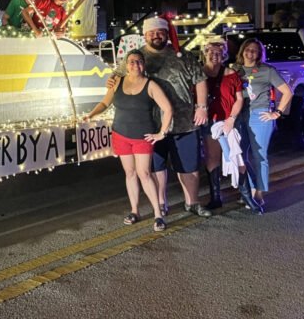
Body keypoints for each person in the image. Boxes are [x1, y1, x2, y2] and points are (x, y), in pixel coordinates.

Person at [107, 16, 212, 217]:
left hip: (184, 123)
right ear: (145, 35)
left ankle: (192, 202)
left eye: (160, 32)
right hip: (152, 125)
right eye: (151, 32)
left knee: (189, 167)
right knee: (156, 168)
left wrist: (201, 107)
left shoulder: (183, 56)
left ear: (166, 33)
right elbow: (117, 77)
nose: (156, 36)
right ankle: (161, 203)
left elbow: (200, 81)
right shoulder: (136, 57)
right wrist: (111, 82)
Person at [86, 49, 173, 232]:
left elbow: (167, 109)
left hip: (142, 137)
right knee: (130, 173)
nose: (135, 65)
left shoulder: (150, 85)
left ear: (144, 65)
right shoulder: (117, 82)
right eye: (132, 61)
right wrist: (91, 114)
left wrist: (161, 133)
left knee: (144, 174)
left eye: (139, 61)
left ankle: (158, 214)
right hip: (121, 135)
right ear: (126, 64)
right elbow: (105, 103)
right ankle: (135, 211)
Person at [201, 39, 263, 214]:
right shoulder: (199, 75)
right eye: (211, 52)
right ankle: (215, 197)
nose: (214, 56)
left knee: (238, 157)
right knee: (212, 159)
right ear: (204, 54)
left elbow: (239, 99)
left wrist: (231, 118)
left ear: (224, 55)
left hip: (230, 121)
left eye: (218, 53)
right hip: (210, 122)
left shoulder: (231, 74)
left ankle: (246, 196)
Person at [232, 38, 292, 210]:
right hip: (239, 115)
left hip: (260, 116)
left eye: (255, 50)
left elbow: (287, 91)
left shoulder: (267, 71)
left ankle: (259, 192)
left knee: (260, 156)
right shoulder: (234, 70)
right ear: (242, 51)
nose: (250, 53)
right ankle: (249, 187)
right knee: (239, 155)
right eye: (247, 49)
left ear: (259, 54)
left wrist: (277, 112)